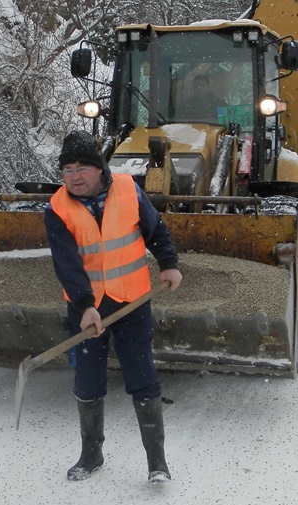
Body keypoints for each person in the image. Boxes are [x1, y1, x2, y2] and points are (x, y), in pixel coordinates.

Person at [44, 130, 183, 483]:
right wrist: (85, 304)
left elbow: (156, 230)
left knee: (142, 377)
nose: (74, 176)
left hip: (132, 302)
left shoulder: (128, 189)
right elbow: (67, 263)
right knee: (88, 381)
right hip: (86, 311)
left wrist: (168, 263)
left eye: (82, 168)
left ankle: (157, 462)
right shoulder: (58, 208)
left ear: (100, 168)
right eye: (67, 169)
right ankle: (91, 455)